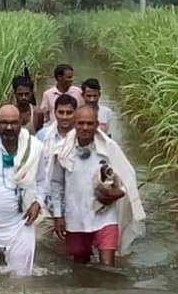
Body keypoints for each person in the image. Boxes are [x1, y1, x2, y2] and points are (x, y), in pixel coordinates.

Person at [49, 106, 145, 266]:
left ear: (97, 125)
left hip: (105, 216)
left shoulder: (109, 149)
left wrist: (117, 193)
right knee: (80, 266)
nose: (85, 127)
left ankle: (106, 291)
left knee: (107, 266)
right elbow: (56, 184)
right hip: (76, 218)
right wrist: (58, 216)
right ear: (74, 124)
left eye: (89, 123)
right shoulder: (63, 152)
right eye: (81, 123)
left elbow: (127, 179)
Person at [0, 104, 48, 276]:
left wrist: (37, 204)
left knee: (21, 277)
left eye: (13, 122)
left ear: (21, 122)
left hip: (23, 220)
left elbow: (42, 181)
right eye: (4, 122)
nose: (9, 127)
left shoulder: (34, 147)